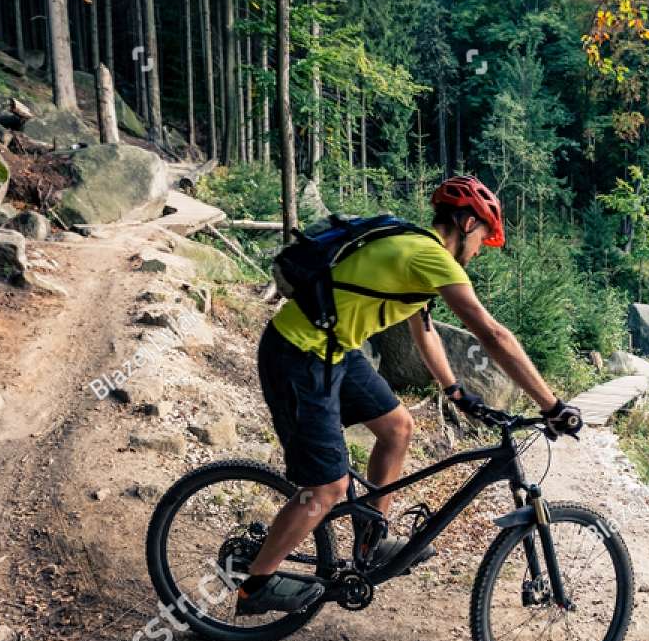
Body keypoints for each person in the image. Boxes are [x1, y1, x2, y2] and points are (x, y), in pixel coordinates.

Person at [238, 175, 583, 614]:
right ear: (464, 222)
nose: (479, 250)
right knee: (328, 485)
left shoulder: (418, 249)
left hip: (334, 349)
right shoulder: (428, 255)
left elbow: (424, 329)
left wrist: (453, 389)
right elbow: (493, 333)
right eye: (482, 237)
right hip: (299, 353)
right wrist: (552, 406)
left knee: (398, 427)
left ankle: (370, 540)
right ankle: (257, 584)